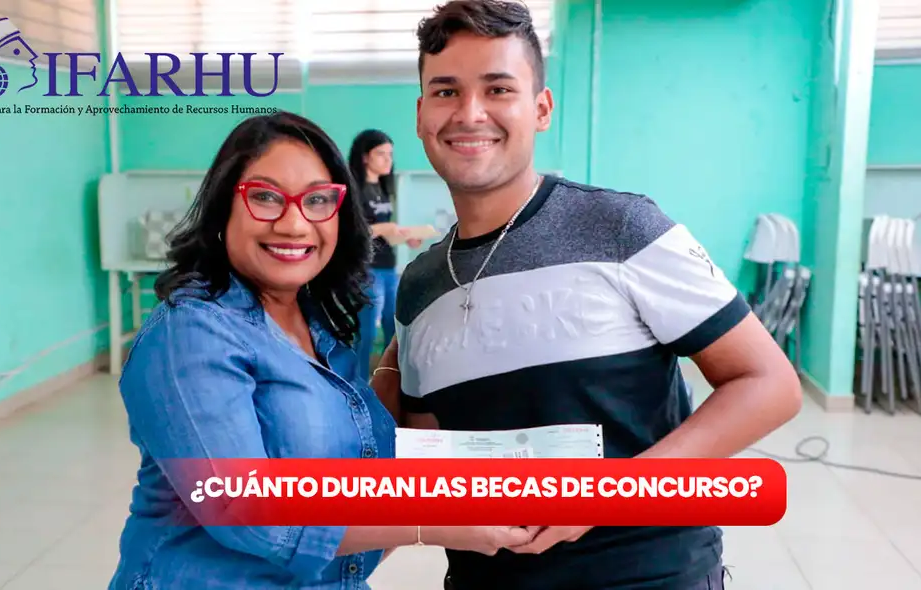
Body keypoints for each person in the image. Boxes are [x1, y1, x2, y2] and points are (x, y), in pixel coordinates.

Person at [369, 1, 804, 589]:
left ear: (541, 109)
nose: (470, 113)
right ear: (421, 115)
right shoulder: (419, 287)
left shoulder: (623, 227)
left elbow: (768, 384)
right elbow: (435, 455)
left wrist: (611, 495)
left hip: (652, 575)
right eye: (446, 92)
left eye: (498, 88)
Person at [109, 111, 538, 589]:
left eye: (317, 200)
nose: (294, 224)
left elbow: (365, 460)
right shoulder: (193, 332)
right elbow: (246, 509)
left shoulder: (319, 325)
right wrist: (434, 525)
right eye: (266, 197)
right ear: (222, 207)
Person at [348, 129, 422, 380]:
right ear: (365, 157)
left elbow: (381, 230)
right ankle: (358, 382)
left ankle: (392, 379)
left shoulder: (381, 188)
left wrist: (403, 235)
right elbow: (350, 232)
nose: (388, 160)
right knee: (367, 330)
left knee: (394, 327)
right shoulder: (353, 190)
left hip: (389, 267)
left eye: (390, 154)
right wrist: (383, 228)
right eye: (381, 154)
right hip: (366, 268)